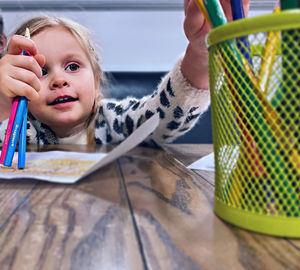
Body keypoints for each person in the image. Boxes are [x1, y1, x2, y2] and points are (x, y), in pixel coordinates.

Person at [0, 0, 250, 145]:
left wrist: (200, 53)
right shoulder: (22, 132)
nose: (59, 80)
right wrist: (3, 101)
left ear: (96, 81)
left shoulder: (112, 120)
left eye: (73, 67)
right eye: (41, 71)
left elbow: (163, 118)